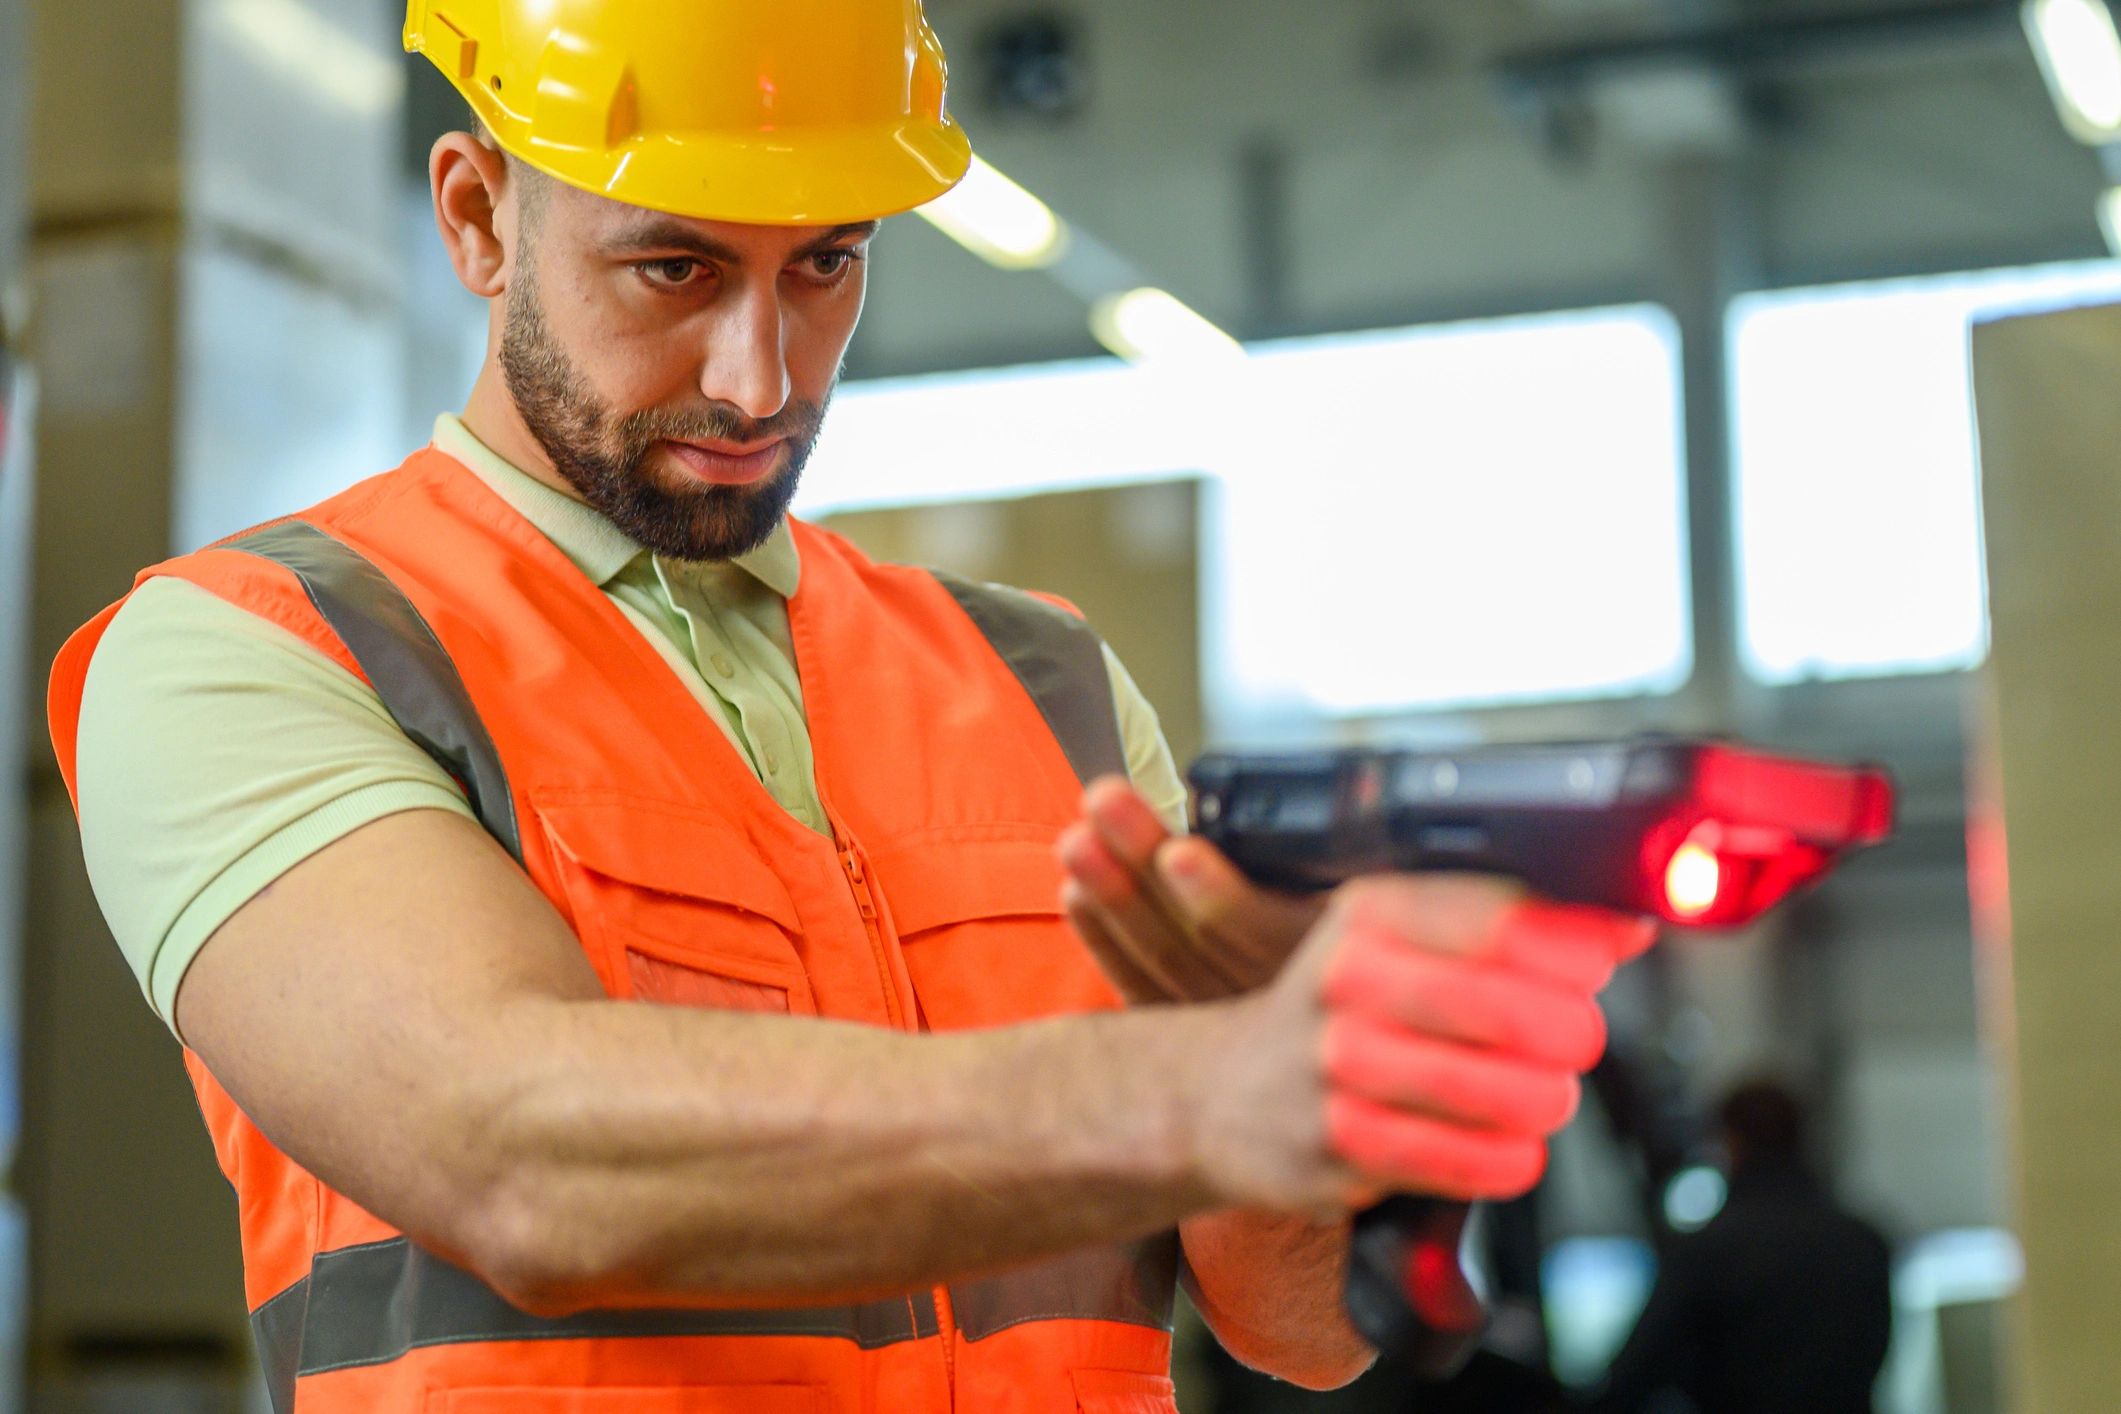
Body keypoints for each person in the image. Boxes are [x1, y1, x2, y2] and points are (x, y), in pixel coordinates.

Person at [46, 2, 1654, 1409]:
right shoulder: (256, 649)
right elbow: (512, 1153)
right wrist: (1198, 1085)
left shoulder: (1049, 683)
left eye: (827, 263)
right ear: (477, 216)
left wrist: (1370, 1099)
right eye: (671, 266)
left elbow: (1300, 1332)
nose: (760, 380)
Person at [1578, 1079, 1894, 1414]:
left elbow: (1641, 1370)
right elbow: (1875, 1352)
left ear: (1731, 1142)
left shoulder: (1707, 1250)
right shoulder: (1864, 1243)